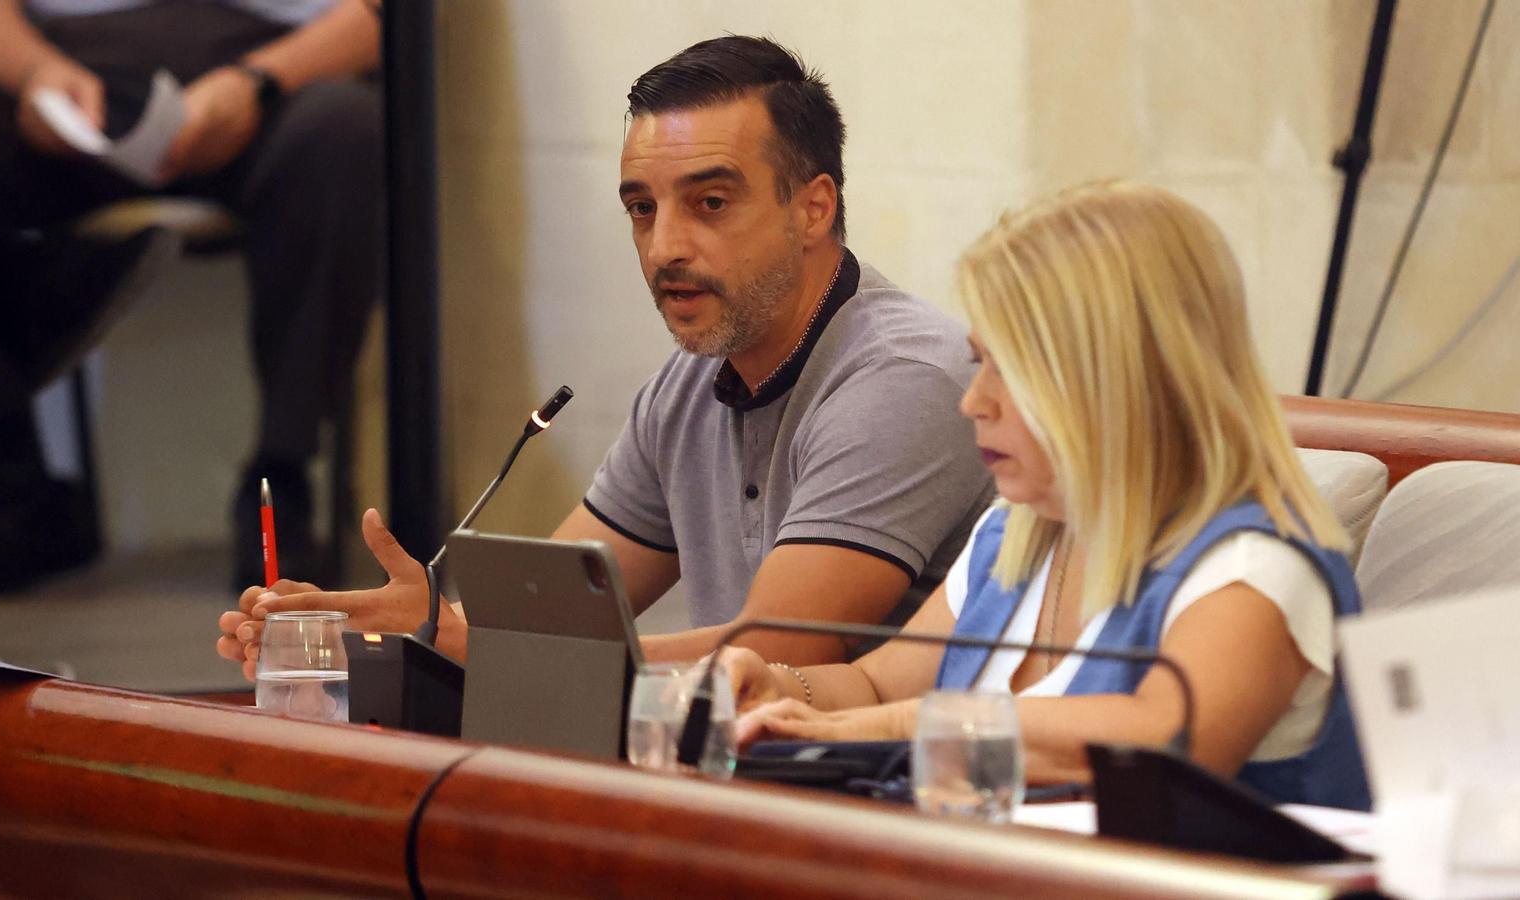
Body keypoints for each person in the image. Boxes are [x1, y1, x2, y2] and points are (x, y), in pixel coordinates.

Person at [217, 36, 994, 677]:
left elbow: (778, 650)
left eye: (709, 203)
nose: (665, 249)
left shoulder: (903, 378)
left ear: (813, 207)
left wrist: (471, 647)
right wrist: (371, 642)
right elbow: (540, 616)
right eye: (641, 210)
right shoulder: (687, 388)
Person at [720, 182, 1371, 811]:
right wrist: (778, 688)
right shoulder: (1019, 529)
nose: (975, 402)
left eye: (1013, 369)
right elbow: (873, 684)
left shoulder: (1257, 563)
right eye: (981, 364)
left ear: (1114, 380)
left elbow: (1161, 744)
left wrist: (866, 732)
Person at [0, 0, 384, 590]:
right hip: (65, 82)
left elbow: (391, 17)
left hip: (279, 75)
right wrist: (34, 71)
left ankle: (280, 481)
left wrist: (257, 80)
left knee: (348, 130)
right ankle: (14, 469)